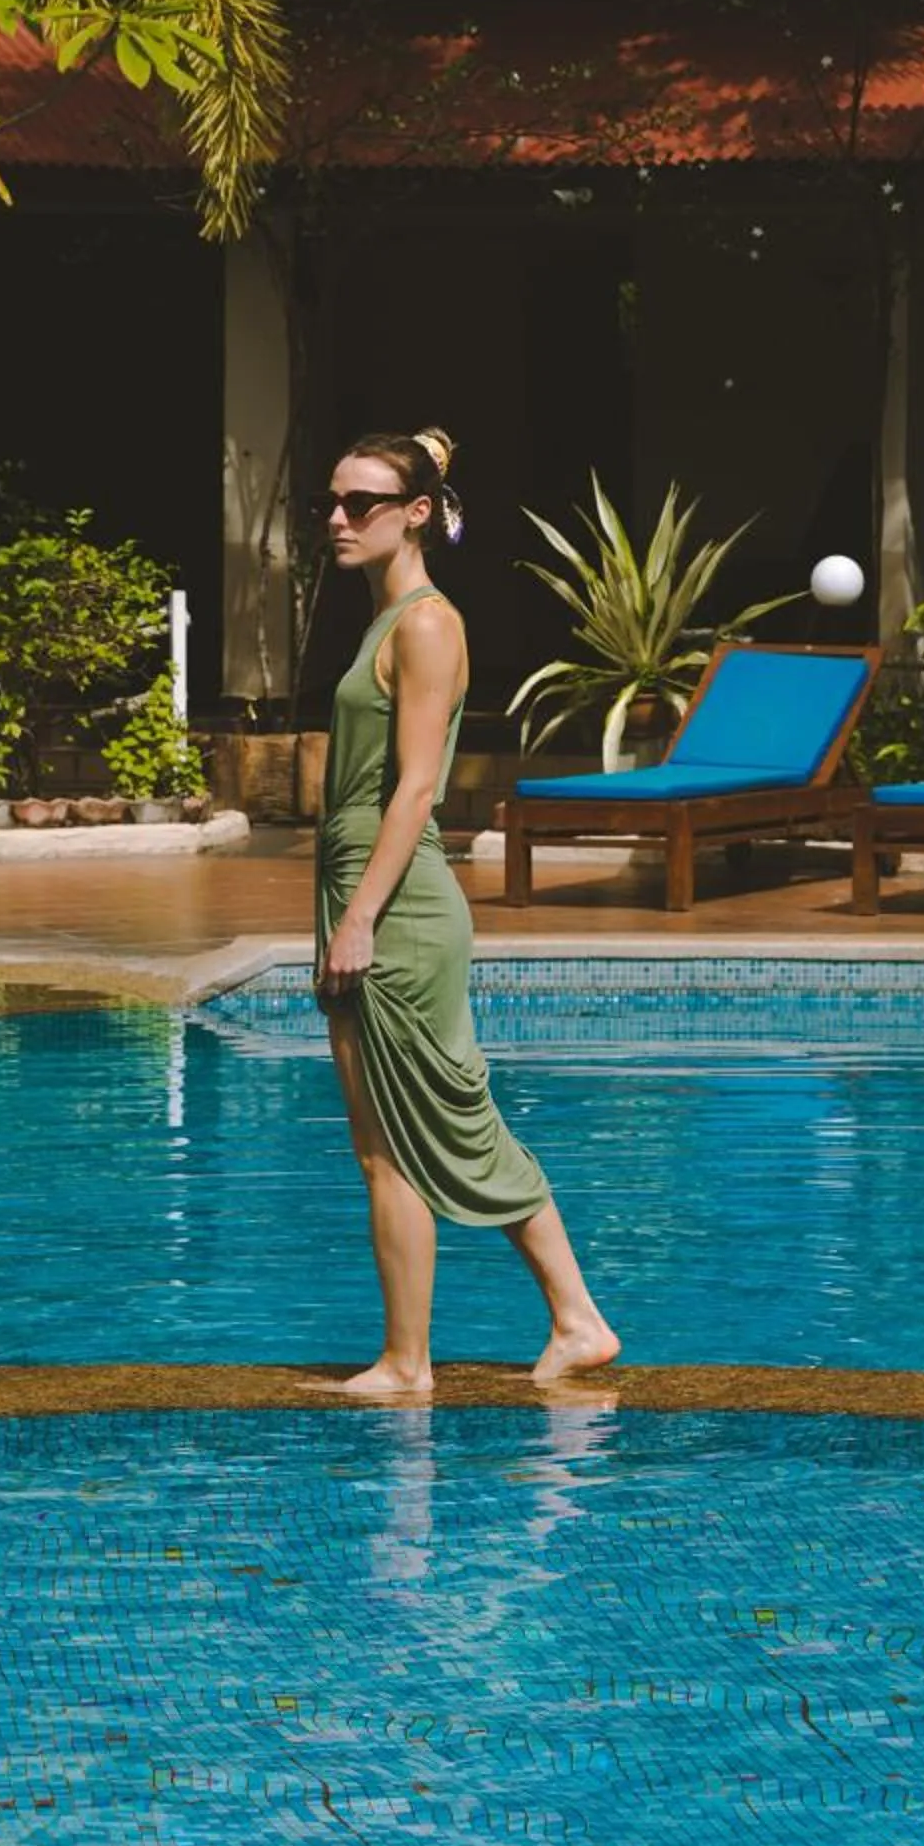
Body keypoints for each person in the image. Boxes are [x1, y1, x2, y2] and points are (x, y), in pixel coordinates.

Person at [314, 426, 619, 1398]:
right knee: (384, 1144)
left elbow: (414, 792)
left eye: (358, 504)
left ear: (412, 516)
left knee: (437, 1127)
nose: (335, 519)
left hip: (395, 903)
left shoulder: (427, 625)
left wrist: (359, 917)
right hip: (361, 893)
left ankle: (450, 1353)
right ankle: (523, 1331)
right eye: (331, 501)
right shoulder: (385, 615)